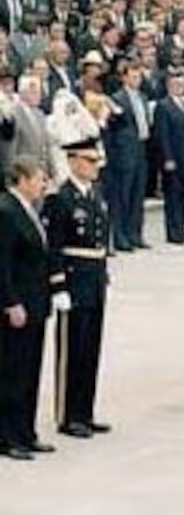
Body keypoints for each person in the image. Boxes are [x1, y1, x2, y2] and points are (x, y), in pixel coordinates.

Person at [43, 136, 111, 439]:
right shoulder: (61, 198)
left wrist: (104, 275)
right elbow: (54, 246)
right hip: (73, 279)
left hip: (94, 277)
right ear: (72, 162)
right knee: (72, 350)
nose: (95, 166)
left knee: (91, 349)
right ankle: (67, 415)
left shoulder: (95, 194)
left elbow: (99, 239)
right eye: (89, 160)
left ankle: (85, 410)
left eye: (96, 161)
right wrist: (57, 285)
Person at [0, 156, 55, 460]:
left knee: (30, 370)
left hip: (36, 302)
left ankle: (26, 431)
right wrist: (10, 302)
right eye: (38, 178)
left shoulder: (29, 209)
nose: (43, 184)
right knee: (13, 372)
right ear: (21, 179)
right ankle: (8, 436)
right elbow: (3, 264)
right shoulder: (6, 211)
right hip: (18, 305)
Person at [104, 60, 150, 250]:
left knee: (138, 196)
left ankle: (135, 233)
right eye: (132, 76)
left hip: (141, 148)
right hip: (123, 152)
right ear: (124, 78)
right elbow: (112, 129)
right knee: (122, 196)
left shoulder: (143, 97)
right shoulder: (116, 99)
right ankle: (121, 236)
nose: (136, 80)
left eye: (139, 76)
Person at [153, 67, 184, 245]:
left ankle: (181, 227)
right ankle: (173, 231)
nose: (179, 87)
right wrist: (168, 158)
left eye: (181, 84)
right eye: (175, 84)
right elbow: (162, 135)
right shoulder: (164, 106)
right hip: (174, 158)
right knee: (173, 195)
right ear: (168, 86)